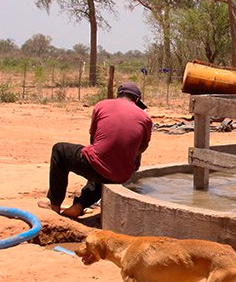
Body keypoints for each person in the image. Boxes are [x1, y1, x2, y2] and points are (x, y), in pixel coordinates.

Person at [37, 83, 152, 219]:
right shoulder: (146, 118)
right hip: (122, 175)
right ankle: (79, 205)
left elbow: (93, 140)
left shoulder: (102, 105)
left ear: (118, 95)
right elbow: (142, 148)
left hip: (100, 167)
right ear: (137, 100)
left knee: (60, 150)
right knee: (107, 166)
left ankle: (55, 205)